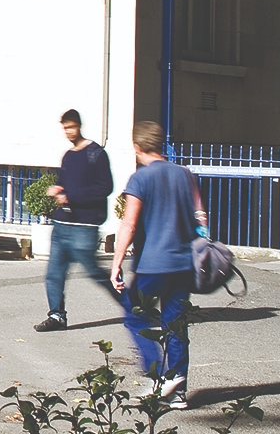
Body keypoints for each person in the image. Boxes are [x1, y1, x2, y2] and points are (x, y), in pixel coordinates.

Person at [110, 120, 207, 410]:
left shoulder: (140, 178)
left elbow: (129, 223)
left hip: (152, 264)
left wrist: (116, 263)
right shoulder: (184, 174)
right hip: (183, 264)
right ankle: (177, 388)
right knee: (176, 323)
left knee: (132, 312)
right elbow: (200, 214)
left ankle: (158, 373)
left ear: (137, 146)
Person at [34, 109, 116, 333]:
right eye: (65, 128)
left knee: (95, 273)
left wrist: (71, 196)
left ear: (79, 126)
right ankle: (56, 316)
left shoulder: (96, 153)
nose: (68, 132)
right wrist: (59, 189)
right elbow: (66, 183)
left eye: (71, 127)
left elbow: (104, 188)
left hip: (84, 226)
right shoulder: (68, 156)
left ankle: (132, 305)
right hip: (62, 225)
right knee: (54, 274)